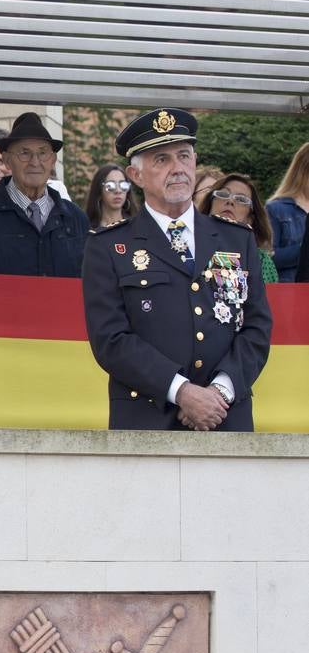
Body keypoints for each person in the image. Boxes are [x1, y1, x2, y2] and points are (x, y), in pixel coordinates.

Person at [82, 108, 271, 432]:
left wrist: (218, 393)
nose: (178, 169)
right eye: (162, 160)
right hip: (147, 422)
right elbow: (111, 340)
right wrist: (182, 392)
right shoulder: (109, 247)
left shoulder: (236, 239)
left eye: (184, 156)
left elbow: (256, 326)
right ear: (136, 175)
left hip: (225, 418)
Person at [0, 112, 90, 277]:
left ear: (53, 160)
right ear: (8, 160)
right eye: (25, 153)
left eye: (43, 153)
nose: (35, 162)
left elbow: (88, 283)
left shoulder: (76, 218)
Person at [198, 173, 278, 284]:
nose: (230, 201)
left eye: (241, 199)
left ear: (251, 218)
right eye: (223, 194)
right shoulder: (191, 246)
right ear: (209, 205)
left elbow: (267, 300)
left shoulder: (261, 260)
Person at [267, 142, 309, 280]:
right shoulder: (276, 209)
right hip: (290, 294)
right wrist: (303, 250)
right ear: (303, 170)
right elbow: (267, 259)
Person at [84, 163, 135, 230]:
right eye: (110, 185)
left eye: (123, 185)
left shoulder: (137, 227)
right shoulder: (87, 231)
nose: (118, 191)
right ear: (99, 190)